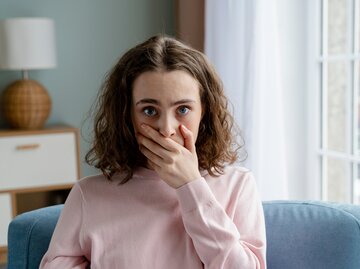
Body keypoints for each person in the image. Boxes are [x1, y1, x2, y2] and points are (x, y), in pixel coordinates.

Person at [40, 35, 266, 269]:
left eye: (183, 109)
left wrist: (191, 186)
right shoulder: (88, 195)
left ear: (204, 112)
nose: (166, 129)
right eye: (149, 110)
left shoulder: (237, 186)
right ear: (127, 114)